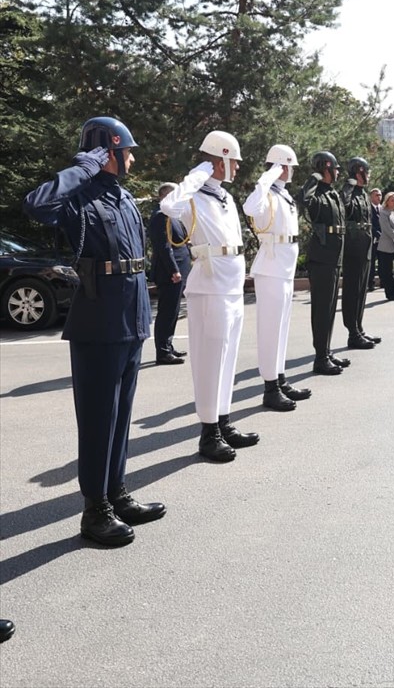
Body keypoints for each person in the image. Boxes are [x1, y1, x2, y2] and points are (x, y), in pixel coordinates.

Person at [24, 116, 164, 546]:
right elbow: (36, 204)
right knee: (98, 419)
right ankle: (94, 509)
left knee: (121, 416)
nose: (133, 158)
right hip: (98, 319)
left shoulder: (123, 197)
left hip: (132, 315)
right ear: (108, 152)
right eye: (127, 151)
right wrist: (84, 167)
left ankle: (117, 492)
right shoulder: (77, 197)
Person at [160, 131, 258, 463]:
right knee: (209, 361)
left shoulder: (224, 197)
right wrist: (198, 172)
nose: (238, 168)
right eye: (234, 162)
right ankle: (208, 432)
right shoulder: (190, 195)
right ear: (219, 161)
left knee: (227, 358)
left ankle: (224, 421)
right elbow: (167, 205)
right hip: (209, 284)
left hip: (230, 284)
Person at [243, 144, 312, 412]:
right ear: (279, 167)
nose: (291, 171)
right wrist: (267, 178)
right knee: (271, 329)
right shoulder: (266, 194)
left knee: (281, 328)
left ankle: (280, 379)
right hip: (271, 266)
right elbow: (250, 208)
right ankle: (270, 388)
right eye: (288, 166)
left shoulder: (283, 195)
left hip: (284, 265)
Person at [300, 151, 350, 376]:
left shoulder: (333, 193)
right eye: (335, 168)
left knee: (329, 308)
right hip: (321, 256)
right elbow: (304, 203)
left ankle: (326, 352)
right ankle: (320, 357)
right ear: (326, 168)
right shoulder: (317, 193)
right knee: (321, 308)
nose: (338, 172)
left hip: (333, 255)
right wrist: (314, 178)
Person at [148, 181, 191, 365]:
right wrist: (174, 270)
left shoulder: (173, 216)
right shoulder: (160, 216)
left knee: (173, 311)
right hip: (169, 273)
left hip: (179, 270)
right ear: (165, 196)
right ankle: (163, 351)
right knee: (166, 312)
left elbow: (181, 242)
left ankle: (168, 345)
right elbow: (164, 247)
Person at [341, 157, 378, 349]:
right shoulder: (349, 192)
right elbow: (344, 207)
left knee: (362, 290)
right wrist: (349, 185)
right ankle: (352, 333)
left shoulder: (363, 194)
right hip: (353, 246)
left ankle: (359, 328)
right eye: (366, 171)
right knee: (352, 291)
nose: (369, 175)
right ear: (358, 172)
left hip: (364, 244)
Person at [368, 187, 383, 290]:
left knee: (383, 262)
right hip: (372, 239)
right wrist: (378, 234)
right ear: (371, 197)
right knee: (372, 262)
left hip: (383, 240)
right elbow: (370, 224)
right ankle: (370, 283)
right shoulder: (368, 209)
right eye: (376, 195)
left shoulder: (383, 209)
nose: (379, 197)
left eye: (380, 195)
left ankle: (384, 281)